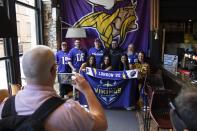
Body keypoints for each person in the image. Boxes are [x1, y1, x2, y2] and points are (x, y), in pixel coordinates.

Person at [0, 45, 108, 131]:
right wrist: (87, 90)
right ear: (53, 70)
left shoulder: (4, 107)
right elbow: (102, 124)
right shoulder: (70, 111)